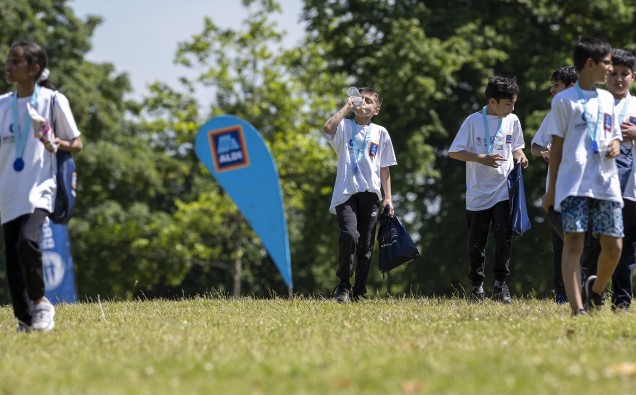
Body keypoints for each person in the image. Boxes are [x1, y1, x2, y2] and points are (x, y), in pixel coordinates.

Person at [0, 40, 83, 331]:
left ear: (34, 68)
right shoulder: (2, 105)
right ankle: (25, 320)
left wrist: (55, 142)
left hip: (40, 188)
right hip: (8, 191)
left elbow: (77, 143)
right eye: (8, 61)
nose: (8, 66)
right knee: (11, 260)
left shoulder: (52, 100)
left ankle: (41, 303)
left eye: (15, 61)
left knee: (28, 241)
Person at [542, 37, 623, 316]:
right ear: (590, 64)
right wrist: (551, 191)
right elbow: (558, 147)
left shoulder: (607, 99)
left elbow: (613, 135)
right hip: (573, 181)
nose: (610, 69)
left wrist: (615, 143)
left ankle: (596, 290)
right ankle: (577, 308)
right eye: (607, 63)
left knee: (613, 246)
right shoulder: (564, 101)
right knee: (574, 241)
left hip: (605, 181)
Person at [449, 75, 528, 303]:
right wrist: (481, 158)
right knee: (477, 242)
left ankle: (500, 285)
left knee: (504, 236)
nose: (512, 108)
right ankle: (476, 287)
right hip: (478, 193)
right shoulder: (473, 121)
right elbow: (455, 152)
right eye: (508, 103)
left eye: (514, 103)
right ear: (493, 102)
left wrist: (521, 157)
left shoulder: (512, 120)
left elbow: (516, 148)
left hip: (503, 190)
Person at [322, 87, 397, 303]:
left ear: (376, 110)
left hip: (371, 194)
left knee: (366, 245)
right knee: (350, 236)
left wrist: (388, 198)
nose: (362, 103)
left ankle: (360, 290)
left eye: (368, 101)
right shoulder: (345, 126)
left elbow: (385, 167)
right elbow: (327, 128)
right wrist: (347, 106)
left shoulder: (381, 133)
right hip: (346, 193)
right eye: (359, 99)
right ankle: (344, 284)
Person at [580, 48, 636, 311]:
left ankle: (622, 301)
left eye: (625, 74)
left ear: (633, 76)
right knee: (593, 245)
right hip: (595, 184)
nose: (618, 79)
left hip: (628, 188)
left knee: (624, 249)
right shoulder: (594, 102)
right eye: (613, 73)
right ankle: (589, 294)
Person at [530, 66, 577, 304]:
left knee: (583, 242)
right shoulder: (552, 115)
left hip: (581, 188)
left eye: (556, 85)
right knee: (559, 244)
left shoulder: (587, 112)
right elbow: (535, 147)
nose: (552, 91)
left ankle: (589, 290)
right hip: (555, 189)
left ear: (570, 87)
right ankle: (561, 293)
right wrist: (544, 151)